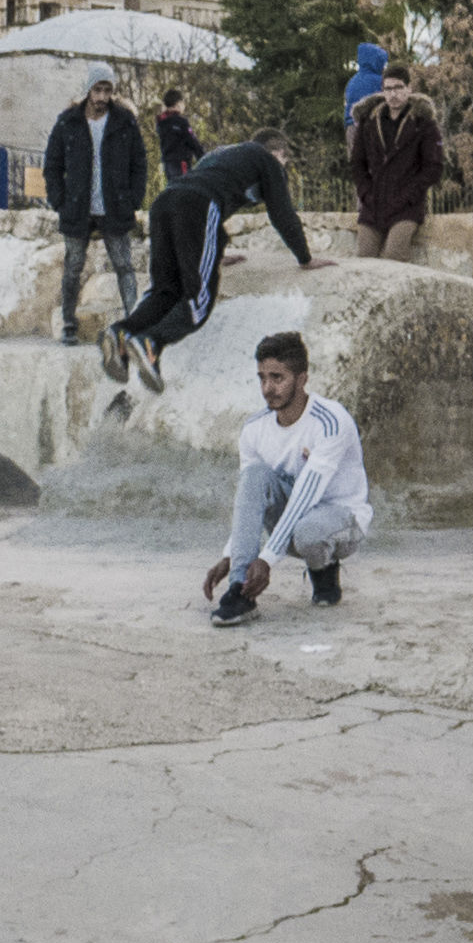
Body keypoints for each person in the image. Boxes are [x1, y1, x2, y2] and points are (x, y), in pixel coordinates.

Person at [102, 131, 334, 394]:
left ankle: (121, 334)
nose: (283, 169)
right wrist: (305, 258)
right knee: (198, 301)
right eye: (284, 162)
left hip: (164, 203)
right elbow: (281, 213)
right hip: (197, 205)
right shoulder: (267, 160)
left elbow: (209, 200)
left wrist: (214, 250)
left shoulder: (221, 154)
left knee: (164, 290)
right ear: (278, 154)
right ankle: (151, 343)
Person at [200, 331, 372, 628]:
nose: (268, 388)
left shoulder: (331, 420)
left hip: (342, 520)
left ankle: (324, 570)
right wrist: (231, 557)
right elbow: (249, 502)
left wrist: (267, 560)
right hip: (296, 521)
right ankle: (240, 592)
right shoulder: (254, 429)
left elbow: (307, 495)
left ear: (302, 378)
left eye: (278, 377)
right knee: (254, 475)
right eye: (262, 378)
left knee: (308, 531)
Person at [43, 63, 145, 346]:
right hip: (78, 207)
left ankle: (134, 324)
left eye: (107, 90)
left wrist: (133, 199)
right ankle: (68, 323)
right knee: (73, 266)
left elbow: (139, 163)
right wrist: (59, 200)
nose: (101, 96)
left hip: (115, 205)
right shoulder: (68, 122)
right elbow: (52, 164)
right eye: (97, 89)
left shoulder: (124, 121)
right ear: (88, 90)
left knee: (124, 264)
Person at [348, 64, 445, 261]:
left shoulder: (423, 123)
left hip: (406, 206)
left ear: (409, 88)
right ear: (382, 91)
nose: (393, 94)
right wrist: (366, 193)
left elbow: (433, 167)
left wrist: (408, 196)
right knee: (364, 258)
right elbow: (357, 163)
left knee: (394, 256)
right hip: (373, 204)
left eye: (398, 88)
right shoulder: (369, 121)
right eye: (388, 89)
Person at [155, 88, 205, 187]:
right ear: (178, 104)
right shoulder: (181, 122)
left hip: (168, 163)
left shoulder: (161, 123)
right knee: (184, 188)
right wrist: (203, 157)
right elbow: (192, 141)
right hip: (181, 162)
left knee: (173, 187)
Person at [343, 41, 388, 136]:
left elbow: (346, 102)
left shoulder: (352, 81)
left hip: (351, 126)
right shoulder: (380, 81)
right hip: (371, 126)